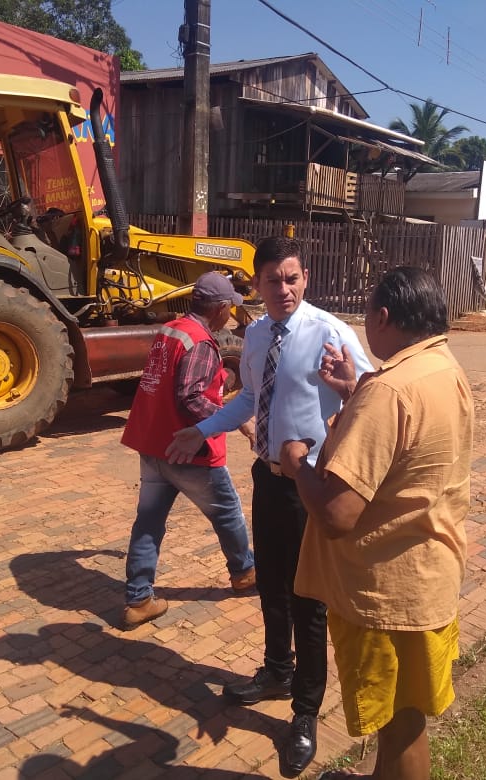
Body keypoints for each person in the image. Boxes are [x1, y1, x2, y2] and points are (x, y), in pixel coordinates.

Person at [166, 236, 373, 779]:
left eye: (292, 278)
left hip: (311, 482)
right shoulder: (255, 334)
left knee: (310, 598)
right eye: (272, 279)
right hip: (267, 476)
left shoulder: (329, 330)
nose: (283, 288)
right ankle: (277, 671)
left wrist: (351, 387)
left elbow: (376, 390)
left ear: (304, 279)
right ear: (254, 284)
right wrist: (201, 428)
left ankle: (304, 713)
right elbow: (245, 399)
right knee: (272, 584)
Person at [279, 266, 474, 780]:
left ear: (383, 317)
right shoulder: (441, 367)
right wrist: (353, 391)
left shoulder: (387, 393)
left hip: (387, 592)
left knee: (399, 722)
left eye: (366, 314)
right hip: (428, 574)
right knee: (403, 718)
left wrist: (296, 461)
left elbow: (338, 514)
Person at [120, 271, 257, 629]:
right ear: (220, 307)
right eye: (230, 308)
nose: (231, 314)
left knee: (149, 522)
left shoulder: (172, 330)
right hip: (187, 449)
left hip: (153, 443)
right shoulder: (200, 341)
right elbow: (191, 396)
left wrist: (221, 380)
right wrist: (236, 420)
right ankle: (244, 572)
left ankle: (139, 598)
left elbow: (175, 382)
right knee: (227, 512)